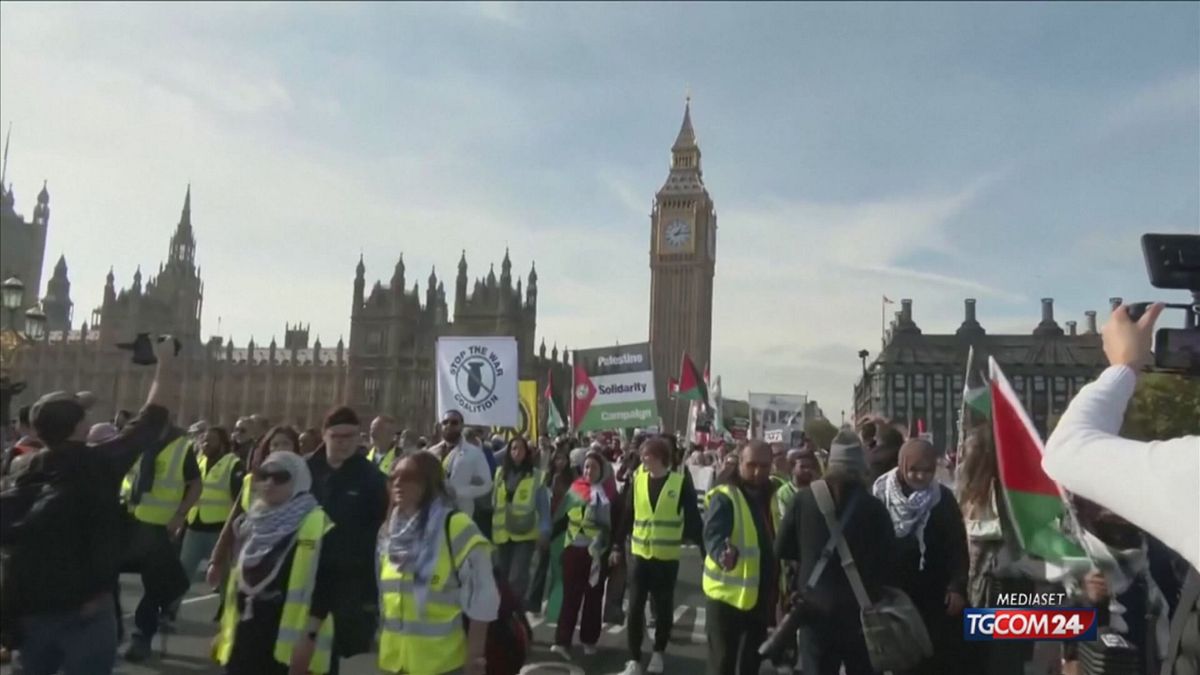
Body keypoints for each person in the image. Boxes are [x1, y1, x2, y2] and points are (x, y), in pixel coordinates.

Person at [1, 338, 176, 675]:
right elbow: (151, 419)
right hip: (87, 608)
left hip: (33, 609)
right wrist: (164, 363)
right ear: (82, 427)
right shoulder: (100, 464)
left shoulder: (23, 471)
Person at [776, 429, 894, 675]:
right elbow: (887, 561)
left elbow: (782, 548)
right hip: (862, 613)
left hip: (814, 610)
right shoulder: (874, 508)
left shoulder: (803, 500)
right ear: (861, 467)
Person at [214, 451, 335, 675]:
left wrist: (309, 638)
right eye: (264, 476)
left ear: (299, 480)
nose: (270, 483)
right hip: (245, 631)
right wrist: (224, 631)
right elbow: (238, 582)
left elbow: (326, 588)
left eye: (280, 477)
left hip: (285, 637)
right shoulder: (249, 522)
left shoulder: (316, 522)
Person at [378, 451, 498, 675]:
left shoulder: (456, 526)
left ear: (429, 482)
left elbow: (484, 598)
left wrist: (474, 660)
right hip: (395, 663)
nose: (398, 483)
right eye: (393, 477)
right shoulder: (389, 532)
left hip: (443, 664)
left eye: (408, 476)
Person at [120, 387, 205, 662]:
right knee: (103, 577)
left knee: (157, 585)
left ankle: (141, 638)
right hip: (126, 521)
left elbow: (195, 484)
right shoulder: (131, 441)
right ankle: (112, 629)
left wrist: (180, 515)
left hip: (157, 528)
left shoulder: (180, 447)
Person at [873, 438, 968, 675]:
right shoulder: (879, 495)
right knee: (898, 657)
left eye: (926, 470)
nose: (919, 476)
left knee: (931, 658)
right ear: (902, 465)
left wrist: (957, 586)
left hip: (933, 594)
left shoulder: (942, 499)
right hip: (892, 593)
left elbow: (957, 545)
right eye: (914, 469)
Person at [612, 437, 704, 675]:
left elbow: (694, 520)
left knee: (663, 609)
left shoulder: (679, 483)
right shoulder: (638, 481)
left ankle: (658, 652)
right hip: (640, 556)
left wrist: (706, 552)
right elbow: (628, 515)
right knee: (634, 608)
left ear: (661, 457)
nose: (643, 459)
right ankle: (633, 659)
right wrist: (616, 545)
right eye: (642, 454)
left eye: (647, 455)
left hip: (666, 558)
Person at [307, 406, 389, 665]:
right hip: (305, 570)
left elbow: (382, 530)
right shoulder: (304, 470)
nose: (343, 443)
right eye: (337, 437)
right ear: (324, 435)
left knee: (336, 648)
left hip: (348, 575)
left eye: (350, 437)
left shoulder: (372, 478)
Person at [703, 440, 778, 675]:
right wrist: (721, 553)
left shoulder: (774, 492)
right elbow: (713, 534)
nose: (758, 472)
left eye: (764, 466)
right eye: (751, 465)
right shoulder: (726, 495)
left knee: (750, 663)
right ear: (739, 463)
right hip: (726, 597)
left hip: (760, 595)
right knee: (723, 663)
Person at [207, 426, 302, 591]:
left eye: (286, 444)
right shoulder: (251, 480)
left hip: (284, 559)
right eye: (275, 444)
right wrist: (216, 559)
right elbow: (234, 519)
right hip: (247, 556)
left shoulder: (303, 481)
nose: (280, 449)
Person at [552, 451, 614, 661]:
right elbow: (561, 517)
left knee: (593, 597)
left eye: (593, 467)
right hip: (573, 549)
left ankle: (589, 640)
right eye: (586, 466)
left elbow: (607, 528)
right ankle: (562, 641)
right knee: (570, 596)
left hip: (593, 554)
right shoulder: (574, 490)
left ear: (601, 471)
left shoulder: (603, 496)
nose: (588, 471)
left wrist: (602, 547)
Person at [492, 435, 551, 610]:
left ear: (527, 453)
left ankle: (514, 612)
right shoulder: (499, 474)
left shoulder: (536, 477)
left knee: (517, 578)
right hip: (502, 536)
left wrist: (544, 531)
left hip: (525, 535)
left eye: (521, 449)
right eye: (513, 449)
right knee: (501, 579)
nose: (517, 452)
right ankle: (502, 614)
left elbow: (543, 508)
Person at [178, 427, 244, 584]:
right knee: (181, 577)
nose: (206, 443)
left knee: (224, 580)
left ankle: (225, 608)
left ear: (222, 444)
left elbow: (240, 500)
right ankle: (169, 609)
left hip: (219, 532)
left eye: (211, 439)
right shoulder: (198, 461)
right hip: (194, 529)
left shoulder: (233, 464)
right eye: (204, 439)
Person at [527, 444, 577, 617]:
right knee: (541, 566)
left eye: (563, 459)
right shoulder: (546, 478)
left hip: (563, 525)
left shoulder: (571, 479)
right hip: (547, 524)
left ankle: (557, 605)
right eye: (557, 459)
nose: (560, 462)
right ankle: (534, 604)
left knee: (559, 567)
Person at [429, 410, 493, 518]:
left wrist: (458, 492)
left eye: (454, 423)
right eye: (445, 422)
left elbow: (486, 485)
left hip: (461, 513)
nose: (449, 425)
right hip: (434, 512)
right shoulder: (430, 453)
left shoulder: (474, 453)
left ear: (461, 426)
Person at [774, 447, 821, 522]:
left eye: (809, 467)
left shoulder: (818, 489)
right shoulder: (784, 492)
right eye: (802, 467)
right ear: (792, 468)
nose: (807, 470)